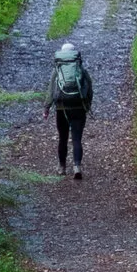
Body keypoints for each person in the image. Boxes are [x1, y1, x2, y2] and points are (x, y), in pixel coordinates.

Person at [51, 39, 94, 177]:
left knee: (62, 138)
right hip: (78, 107)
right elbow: (89, 87)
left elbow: (51, 91)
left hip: (61, 108)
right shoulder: (80, 69)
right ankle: (77, 167)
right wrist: (87, 105)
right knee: (76, 138)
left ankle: (62, 168)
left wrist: (46, 108)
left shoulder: (57, 71)